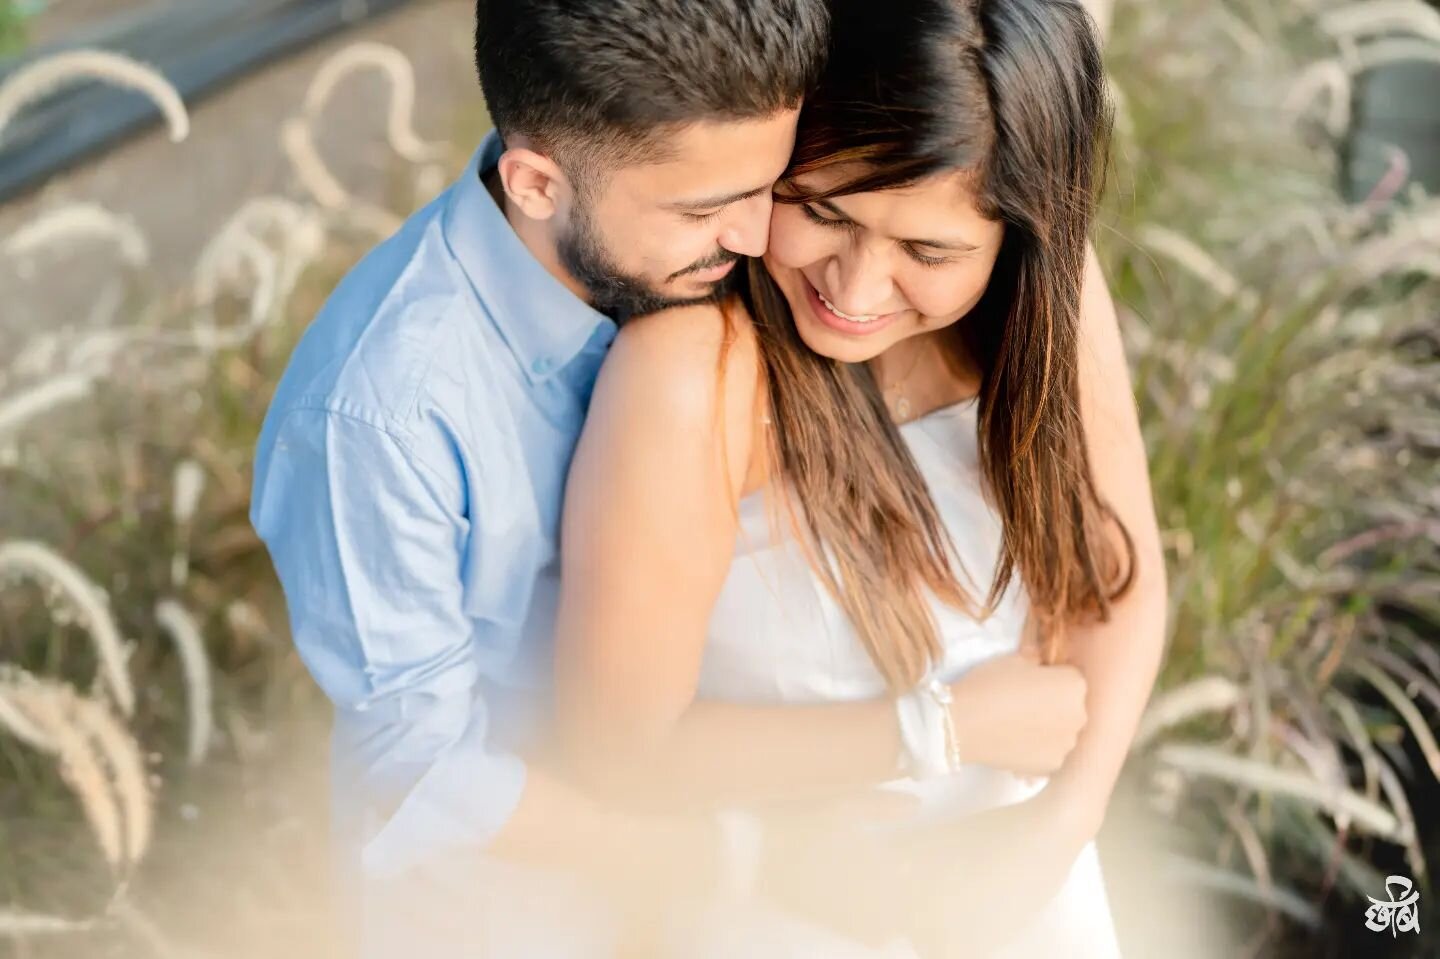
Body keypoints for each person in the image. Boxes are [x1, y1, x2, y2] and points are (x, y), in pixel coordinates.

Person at [550, 0, 1168, 953]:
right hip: (790, 916)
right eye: (826, 212)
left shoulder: (1049, 316)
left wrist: (1062, 825)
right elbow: (616, 750)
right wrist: (939, 730)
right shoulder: (693, 374)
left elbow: (1118, 586)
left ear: (1018, 241)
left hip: (1027, 887)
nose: (855, 290)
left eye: (928, 252)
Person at [250, 1, 833, 955]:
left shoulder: (686, 245)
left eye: (765, 185)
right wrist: (702, 859)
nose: (761, 237)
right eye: (703, 210)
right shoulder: (377, 419)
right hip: (511, 916)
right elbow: (423, 771)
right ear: (535, 185)